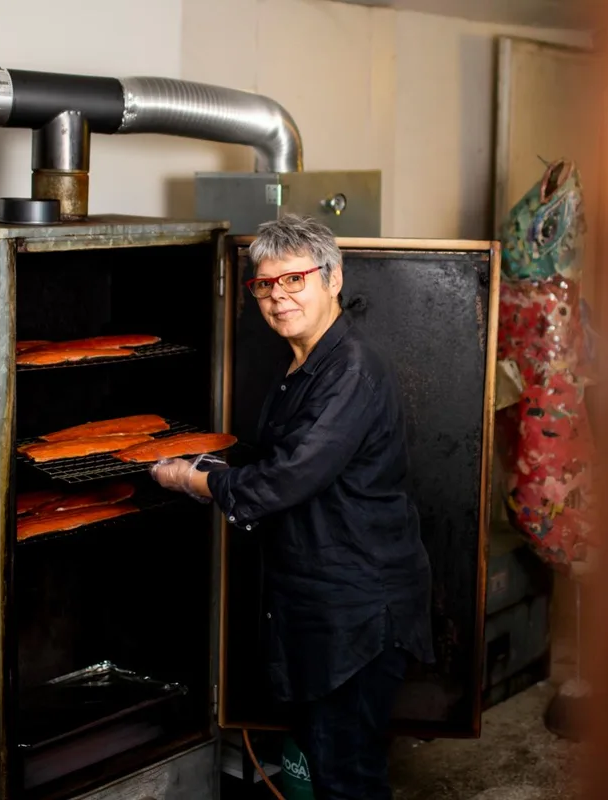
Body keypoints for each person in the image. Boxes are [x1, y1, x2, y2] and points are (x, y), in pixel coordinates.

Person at [151, 213, 434, 800]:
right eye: (264, 285)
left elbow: (287, 477)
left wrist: (192, 481)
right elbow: (283, 457)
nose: (277, 297)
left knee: (346, 777)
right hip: (319, 602)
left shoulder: (351, 370)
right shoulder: (303, 365)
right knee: (327, 760)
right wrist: (213, 461)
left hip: (358, 607)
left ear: (333, 279)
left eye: (294, 280)